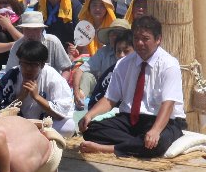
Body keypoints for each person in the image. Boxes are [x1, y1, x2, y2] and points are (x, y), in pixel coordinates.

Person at [78, 15, 187, 158]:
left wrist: (155, 130)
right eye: (136, 38)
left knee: (158, 142)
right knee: (91, 129)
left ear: (158, 39)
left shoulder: (169, 64)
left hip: (163, 120)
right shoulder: (123, 63)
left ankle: (110, 148)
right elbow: (110, 99)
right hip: (130, 119)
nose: (140, 43)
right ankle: (136, 145)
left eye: (145, 39)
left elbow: (168, 104)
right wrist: (89, 115)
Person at [0, 40, 76, 136]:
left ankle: (33, 135)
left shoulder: (53, 77)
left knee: (68, 127)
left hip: (44, 124)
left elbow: (61, 113)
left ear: (42, 64)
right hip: (19, 123)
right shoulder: (13, 76)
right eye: (24, 64)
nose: (28, 69)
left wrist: (37, 97)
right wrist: (20, 98)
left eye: (33, 65)